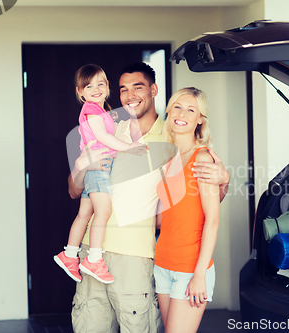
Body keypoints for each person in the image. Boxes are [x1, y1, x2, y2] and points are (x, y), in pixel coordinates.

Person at [67, 62, 230, 333]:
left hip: (135, 256)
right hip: (90, 252)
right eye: (123, 90)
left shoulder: (172, 136)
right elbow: (74, 191)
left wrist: (224, 178)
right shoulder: (106, 130)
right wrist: (81, 165)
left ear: (154, 90)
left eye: (138, 87)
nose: (130, 96)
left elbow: (195, 199)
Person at [54, 64, 145, 285]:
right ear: (80, 92)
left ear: (107, 86)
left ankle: (69, 254)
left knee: (85, 213)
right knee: (102, 212)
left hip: (95, 168)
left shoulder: (101, 111)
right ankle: (94, 259)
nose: (96, 89)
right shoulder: (91, 110)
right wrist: (129, 147)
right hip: (99, 168)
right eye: (89, 86)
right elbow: (103, 138)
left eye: (101, 84)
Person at [154, 87, 219, 333]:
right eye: (177, 107)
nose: (182, 114)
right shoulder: (167, 157)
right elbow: (166, 217)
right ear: (169, 111)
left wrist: (199, 275)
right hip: (162, 265)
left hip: (190, 269)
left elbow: (212, 220)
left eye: (191, 109)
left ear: (199, 119)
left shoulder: (202, 158)